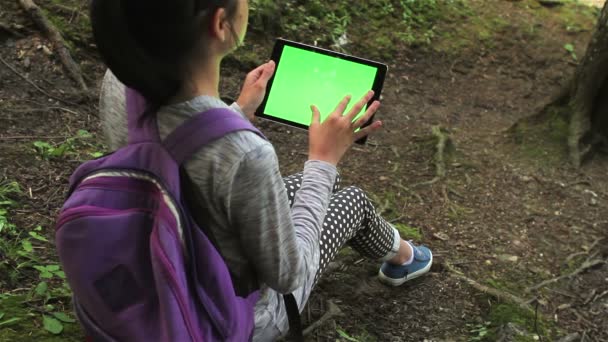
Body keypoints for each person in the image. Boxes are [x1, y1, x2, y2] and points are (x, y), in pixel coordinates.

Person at [92, 0, 433, 340]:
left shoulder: (123, 84)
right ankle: (405, 258)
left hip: (164, 257)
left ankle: (398, 250)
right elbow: (289, 275)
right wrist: (323, 160)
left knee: (320, 187)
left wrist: (236, 111)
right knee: (351, 200)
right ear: (220, 24)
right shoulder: (244, 153)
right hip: (233, 317)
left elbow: (179, 162)